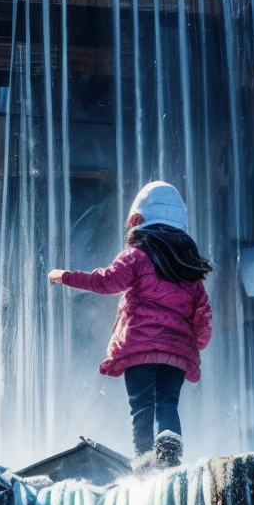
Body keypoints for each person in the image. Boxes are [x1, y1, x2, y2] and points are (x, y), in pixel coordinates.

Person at [49, 180, 213, 467]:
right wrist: (195, 344)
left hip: (139, 346)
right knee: (167, 401)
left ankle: (144, 461)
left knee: (141, 406)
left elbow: (106, 281)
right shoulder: (190, 270)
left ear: (140, 220)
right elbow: (203, 315)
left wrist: (65, 276)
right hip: (178, 352)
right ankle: (170, 449)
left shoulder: (136, 256)